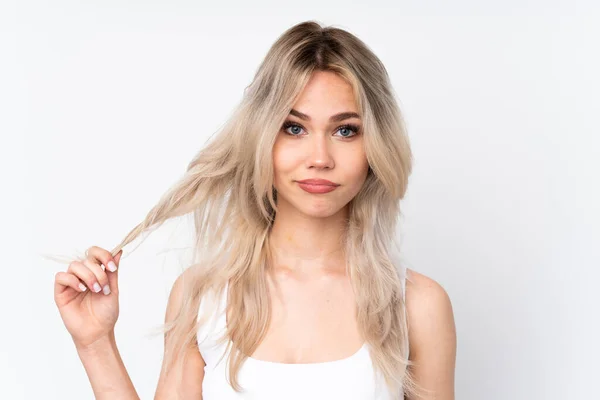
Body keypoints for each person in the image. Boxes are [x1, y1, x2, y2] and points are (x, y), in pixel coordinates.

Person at [53, 20, 456, 399]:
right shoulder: (203, 298)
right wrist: (95, 343)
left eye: (345, 130)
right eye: (294, 127)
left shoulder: (416, 305)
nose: (320, 157)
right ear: (263, 136)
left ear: (376, 147)